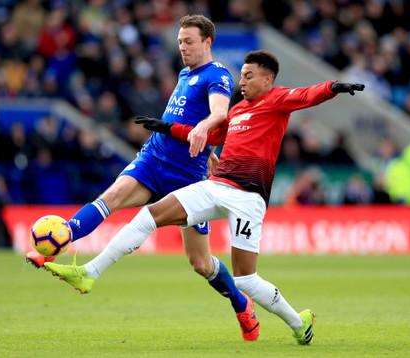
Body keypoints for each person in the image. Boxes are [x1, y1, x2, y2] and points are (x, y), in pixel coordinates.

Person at [44, 50, 364, 345]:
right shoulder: (237, 111)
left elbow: (308, 95)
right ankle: (89, 273)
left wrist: (334, 86)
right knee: (149, 215)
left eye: (249, 76)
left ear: (268, 79)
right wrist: (167, 128)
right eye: (241, 75)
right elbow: (209, 136)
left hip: (248, 198)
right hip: (217, 185)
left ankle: (299, 324)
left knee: (247, 280)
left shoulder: (278, 100)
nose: (242, 81)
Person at [27, 15, 259, 341]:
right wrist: (207, 148)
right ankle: (58, 242)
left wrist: (205, 133)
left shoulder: (217, 74)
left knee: (200, 263)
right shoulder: (184, 74)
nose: (182, 47)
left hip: (187, 178)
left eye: (189, 41)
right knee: (115, 194)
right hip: (153, 158)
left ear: (207, 42)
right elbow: (184, 118)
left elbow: (219, 112)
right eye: (179, 41)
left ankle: (240, 303)